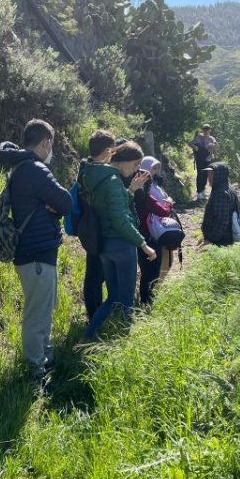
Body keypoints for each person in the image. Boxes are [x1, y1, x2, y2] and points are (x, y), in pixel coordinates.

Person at [0, 119, 72, 383]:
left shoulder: (20, 167)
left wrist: (49, 206)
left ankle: (44, 358)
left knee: (43, 310)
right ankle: (35, 372)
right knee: (37, 315)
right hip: (37, 254)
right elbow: (66, 202)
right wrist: (52, 207)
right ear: (46, 143)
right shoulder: (35, 169)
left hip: (33, 253)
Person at [81, 141, 156, 339]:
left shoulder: (97, 176)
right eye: (135, 164)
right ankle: (124, 341)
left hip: (105, 244)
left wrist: (131, 190)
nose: (136, 169)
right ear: (124, 160)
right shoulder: (113, 180)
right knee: (127, 301)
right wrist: (143, 244)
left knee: (113, 297)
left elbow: (114, 207)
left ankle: (87, 338)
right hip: (122, 244)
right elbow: (120, 220)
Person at [77, 129, 116, 321]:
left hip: (89, 226)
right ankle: (95, 316)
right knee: (95, 274)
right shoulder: (99, 172)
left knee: (94, 272)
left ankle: (96, 312)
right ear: (108, 151)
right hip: (98, 228)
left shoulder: (85, 168)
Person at [135, 156, 177, 305]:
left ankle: (146, 300)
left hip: (147, 231)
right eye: (152, 168)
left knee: (149, 269)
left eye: (156, 168)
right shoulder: (146, 192)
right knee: (151, 271)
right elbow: (162, 210)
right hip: (149, 234)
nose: (155, 171)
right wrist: (169, 204)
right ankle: (147, 302)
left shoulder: (146, 187)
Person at [200, 162, 240, 247]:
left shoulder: (221, 193)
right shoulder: (222, 188)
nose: (209, 177)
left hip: (220, 242)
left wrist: (210, 240)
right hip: (220, 240)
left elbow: (221, 221)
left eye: (212, 173)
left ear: (220, 175)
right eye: (208, 173)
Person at [188, 123, 217, 200]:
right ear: (202, 130)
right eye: (204, 129)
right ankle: (199, 192)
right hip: (199, 159)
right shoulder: (199, 137)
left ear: (210, 130)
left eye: (207, 129)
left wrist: (212, 145)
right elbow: (190, 143)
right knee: (200, 174)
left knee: (205, 175)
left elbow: (216, 145)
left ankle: (202, 191)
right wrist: (195, 147)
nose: (206, 131)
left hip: (208, 160)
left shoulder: (211, 138)